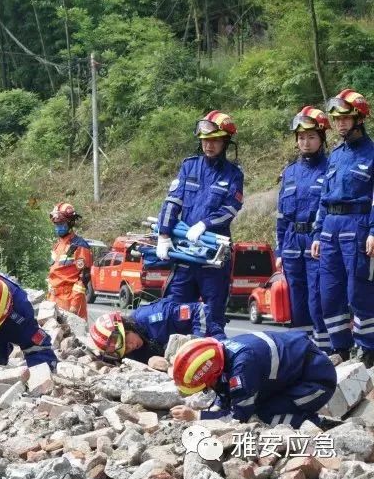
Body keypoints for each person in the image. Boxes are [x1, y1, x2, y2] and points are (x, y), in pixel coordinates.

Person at [155, 110, 244, 335]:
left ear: (225, 142)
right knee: (177, 309)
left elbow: (231, 208)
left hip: (214, 252)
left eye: (214, 141)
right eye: (205, 141)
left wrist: (205, 224)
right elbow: (172, 200)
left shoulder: (234, 175)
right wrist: (164, 235)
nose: (208, 146)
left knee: (213, 314)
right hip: (185, 251)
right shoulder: (189, 167)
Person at [311, 88, 374, 366]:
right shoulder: (335, 155)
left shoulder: (372, 153)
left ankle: (367, 347)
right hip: (330, 229)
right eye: (336, 119)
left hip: (358, 225)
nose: (340, 124)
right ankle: (341, 348)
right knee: (330, 293)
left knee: (358, 292)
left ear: (359, 118)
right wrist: (317, 233)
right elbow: (324, 197)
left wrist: (373, 230)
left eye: (346, 119)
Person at [169, 333, 335, 428]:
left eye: (206, 388)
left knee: (262, 414)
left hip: (317, 381)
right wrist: (215, 410)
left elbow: (238, 416)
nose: (209, 390)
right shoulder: (224, 352)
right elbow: (226, 390)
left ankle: (315, 424)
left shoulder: (242, 367)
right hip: (295, 375)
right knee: (255, 403)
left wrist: (197, 416)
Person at [276, 106, 330, 352]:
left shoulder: (330, 167)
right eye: (301, 137)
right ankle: (303, 350)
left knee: (317, 297)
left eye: (311, 137)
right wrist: (279, 251)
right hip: (291, 242)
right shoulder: (290, 172)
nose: (305, 142)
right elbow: (281, 215)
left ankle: (325, 350)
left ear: (321, 138)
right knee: (296, 300)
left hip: (316, 240)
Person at [88, 300, 224, 364]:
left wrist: (195, 342)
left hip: (210, 338)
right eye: (125, 350)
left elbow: (199, 310)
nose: (130, 346)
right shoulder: (129, 352)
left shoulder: (155, 316)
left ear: (126, 327)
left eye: (127, 341)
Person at [47, 202, 92, 318]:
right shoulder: (57, 246)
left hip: (70, 302)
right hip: (53, 299)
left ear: (70, 222)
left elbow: (84, 277)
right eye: (56, 224)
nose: (58, 227)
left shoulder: (79, 246)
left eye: (61, 223)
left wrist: (74, 305)